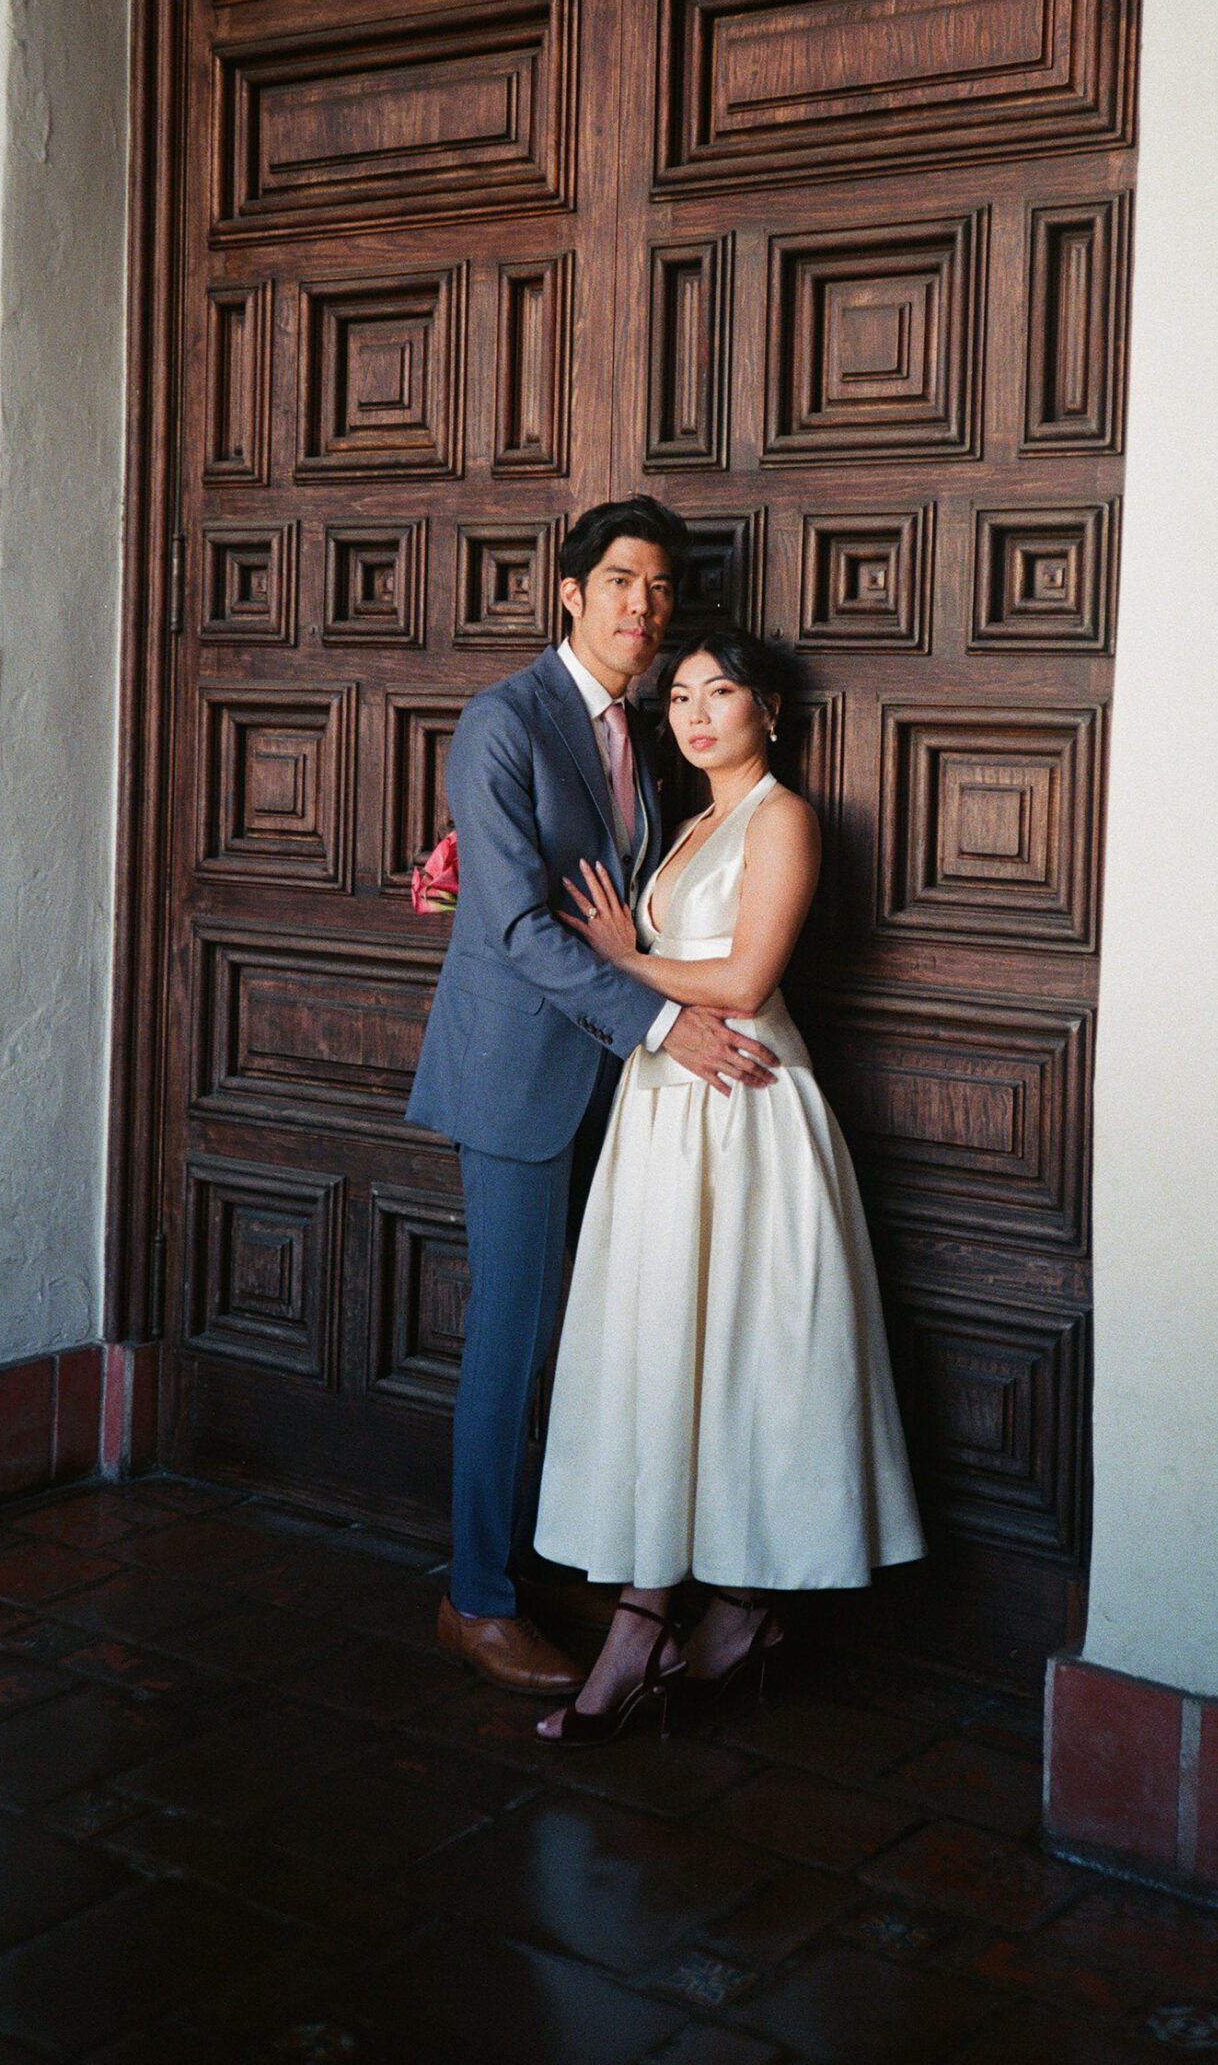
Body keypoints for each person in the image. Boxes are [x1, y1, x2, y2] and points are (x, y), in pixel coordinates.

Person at [406, 501, 782, 1696]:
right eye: (620, 580)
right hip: (520, 1074)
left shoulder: (650, 731)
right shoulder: (503, 718)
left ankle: (547, 1557)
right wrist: (667, 1022)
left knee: (593, 1338)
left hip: (617, 1083)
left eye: (659, 588)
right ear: (569, 591)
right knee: (510, 1338)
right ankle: (475, 1598)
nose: (641, 606)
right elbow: (518, 925)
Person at [532, 622, 925, 1743]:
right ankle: (679, 1616)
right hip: (666, 1108)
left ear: (769, 711)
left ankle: (713, 1614)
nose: (696, 715)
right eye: (680, 698)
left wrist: (619, 959)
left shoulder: (782, 816)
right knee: (667, 1346)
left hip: (746, 1108)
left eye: (720, 693)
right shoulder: (687, 824)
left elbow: (747, 978)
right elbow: (684, 969)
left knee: (746, 1348)